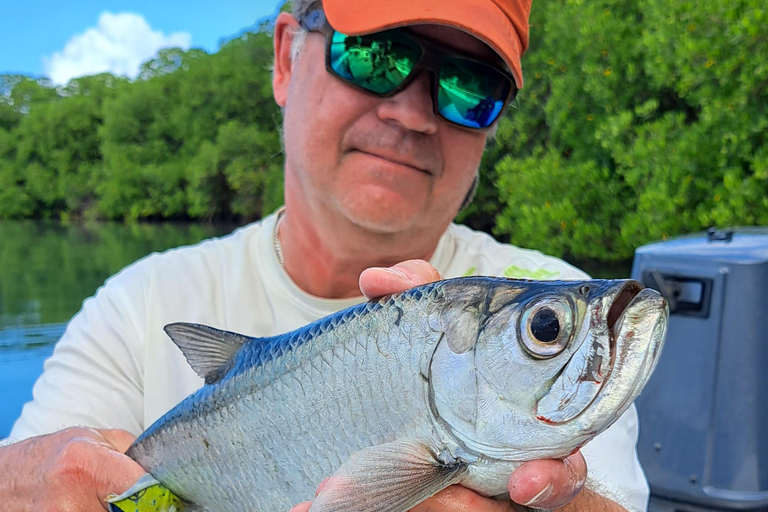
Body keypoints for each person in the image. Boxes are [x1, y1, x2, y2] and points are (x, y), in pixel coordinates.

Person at [0, 0, 650, 511]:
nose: (412, 114)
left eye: (468, 86)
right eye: (375, 55)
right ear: (285, 59)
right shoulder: (132, 307)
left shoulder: (560, 290)